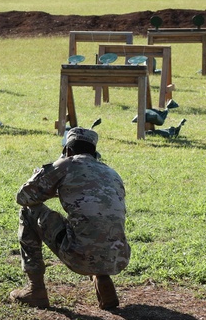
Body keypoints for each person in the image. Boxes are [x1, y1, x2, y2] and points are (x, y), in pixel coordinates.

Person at [11, 126, 130, 310]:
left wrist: (47, 175)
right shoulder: (112, 173)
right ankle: (102, 277)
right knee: (91, 225)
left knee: (28, 212)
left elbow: (23, 197)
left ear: (67, 149)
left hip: (79, 256)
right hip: (118, 256)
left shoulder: (66, 165)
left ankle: (35, 290)